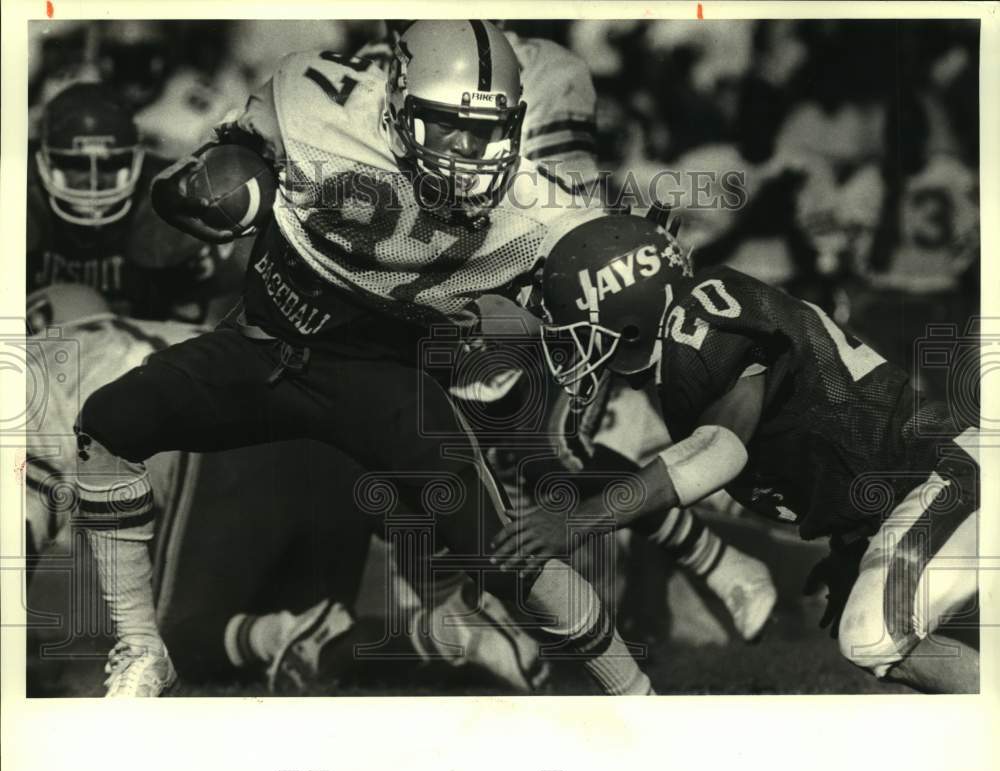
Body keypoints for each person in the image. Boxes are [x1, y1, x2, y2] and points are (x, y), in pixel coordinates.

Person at [72, 20, 652, 697]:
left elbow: (600, 266)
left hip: (381, 380)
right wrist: (222, 176)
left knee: (505, 550)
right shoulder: (313, 99)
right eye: (448, 128)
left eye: (488, 130)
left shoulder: (535, 209)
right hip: (261, 344)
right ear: (399, 102)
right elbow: (211, 168)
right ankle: (142, 649)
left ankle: (639, 698)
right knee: (106, 427)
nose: (470, 152)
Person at [492, 210, 979, 693]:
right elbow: (836, 439)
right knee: (888, 635)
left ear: (629, 314)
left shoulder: (697, 321)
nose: (577, 348)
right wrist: (855, 544)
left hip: (953, 477)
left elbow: (721, 450)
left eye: (582, 328)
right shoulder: (693, 330)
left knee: (876, 635)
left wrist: (575, 521)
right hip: (932, 484)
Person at [28, 82, 233, 323]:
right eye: (77, 165)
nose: (93, 182)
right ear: (44, 162)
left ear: (137, 158)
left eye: (110, 164)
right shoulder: (19, 195)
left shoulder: (167, 199)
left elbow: (203, 321)